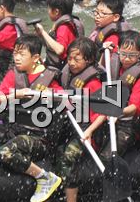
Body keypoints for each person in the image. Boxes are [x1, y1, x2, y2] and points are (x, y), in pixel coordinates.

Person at [0, 34, 63, 202]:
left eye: (22, 54)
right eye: (15, 53)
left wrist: (51, 95)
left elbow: (66, 101)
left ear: (36, 57)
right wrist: (16, 94)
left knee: (5, 152)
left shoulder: (49, 78)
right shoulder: (13, 75)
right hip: (14, 128)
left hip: (38, 137)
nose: (16, 58)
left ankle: (44, 177)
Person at [56, 37, 105, 202]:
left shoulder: (93, 83)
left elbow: (103, 113)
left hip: (86, 129)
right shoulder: (67, 74)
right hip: (69, 124)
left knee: (68, 157)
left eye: (76, 59)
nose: (71, 63)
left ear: (89, 60)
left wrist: (89, 132)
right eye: (69, 58)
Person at [97, 31, 140, 157]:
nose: (127, 59)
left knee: (106, 158)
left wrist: (116, 112)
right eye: (123, 54)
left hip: (128, 123)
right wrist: (104, 53)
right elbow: (100, 70)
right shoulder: (114, 60)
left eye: (132, 55)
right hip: (109, 115)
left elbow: (134, 107)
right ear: (118, 50)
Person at [34, 0, 85, 70]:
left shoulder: (64, 27)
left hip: (61, 68)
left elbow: (59, 50)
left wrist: (43, 32)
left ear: (56, 12)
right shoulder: (71, 21)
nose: (48, 11)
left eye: (49, 8)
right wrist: (41, 35)